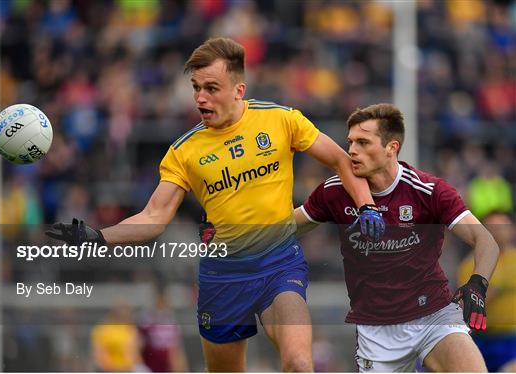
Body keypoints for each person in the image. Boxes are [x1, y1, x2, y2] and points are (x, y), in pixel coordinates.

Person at [46, 37, 384, 372]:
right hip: (223, 277)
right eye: (196, 88)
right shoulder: (185, 151)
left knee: (298, 363)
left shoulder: (281, 120)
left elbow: (341, 161)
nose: (200, 98)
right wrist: (98, 237)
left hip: (279, 266)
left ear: (239, 90)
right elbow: (155, 215)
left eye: (211, 88)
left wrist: (367, 205)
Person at [294, 103, 499, 372]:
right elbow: (285, 227)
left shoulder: (428, 191)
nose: (352, 150)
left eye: (363, 142)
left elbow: (485, 240)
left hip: (433, 315)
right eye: (350, 142)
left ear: (392, 147)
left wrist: (477, 283)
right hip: (376, 329)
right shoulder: (334, 192)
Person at [458, 211, 516, 372]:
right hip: (480, 339)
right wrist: (496, 289)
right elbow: (464, 307)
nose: (497, 230)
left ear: (512, 230)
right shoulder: (470, 265)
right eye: (490, 227)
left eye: (502, 227)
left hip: (511, 338)